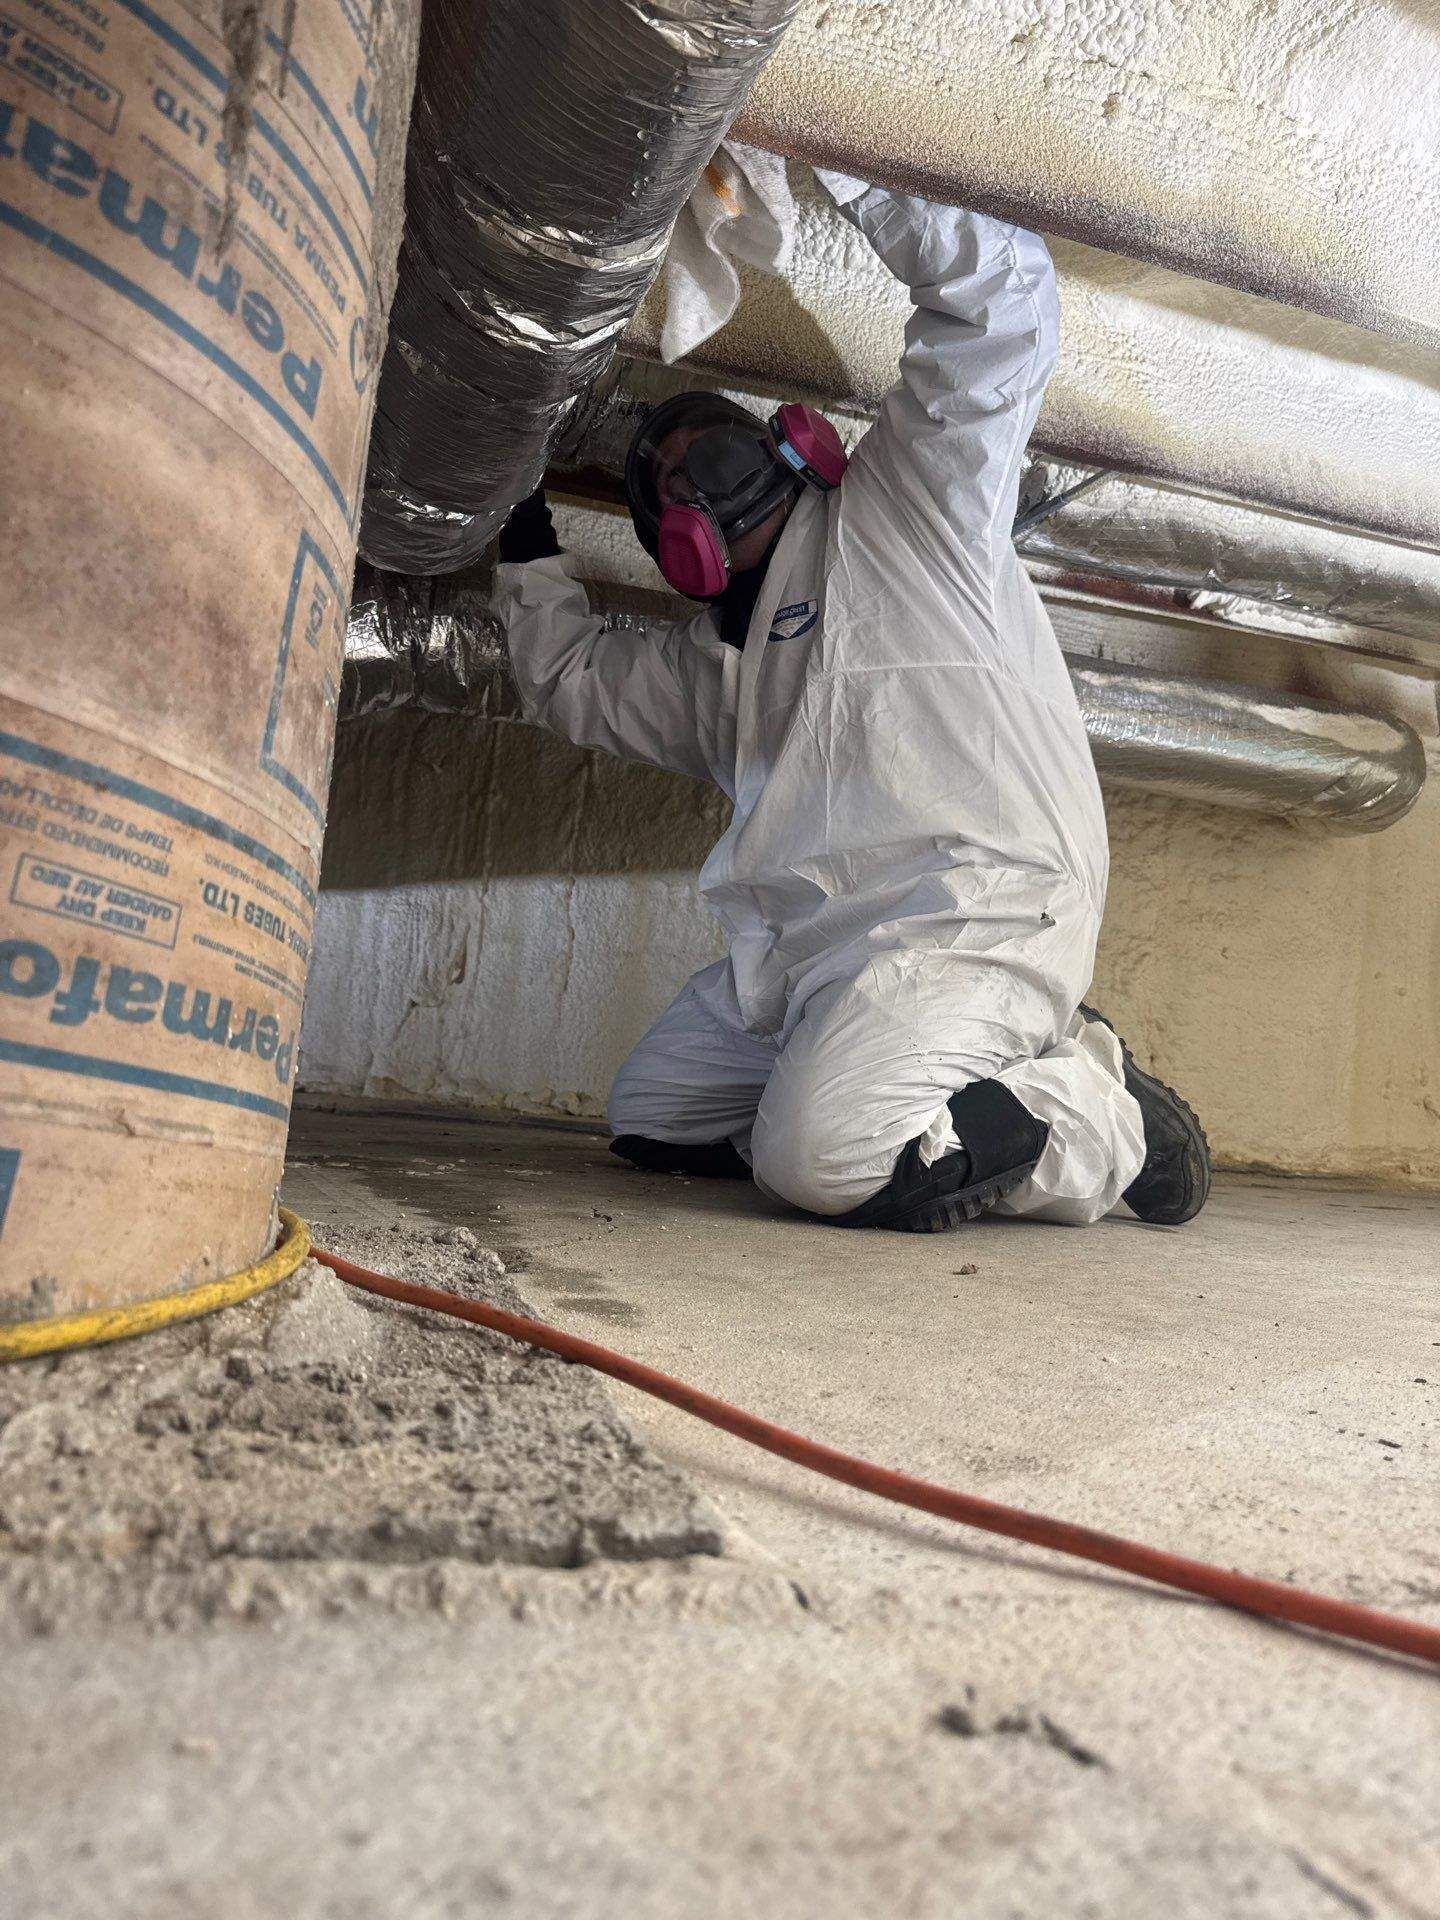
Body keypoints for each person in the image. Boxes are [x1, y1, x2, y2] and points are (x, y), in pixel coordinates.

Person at [492, 172, 1210, 1232]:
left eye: (710, 445)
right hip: (806, 966)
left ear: (789, 447)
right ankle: (929, 1081)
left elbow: (1001, 307)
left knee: (819, 1160)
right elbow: (568, 680)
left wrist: (843, 162)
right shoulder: (710, 671)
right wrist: (517, 518)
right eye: (667, 482)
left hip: (974, 916)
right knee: (651, 1118)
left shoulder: (911, 509)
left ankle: (1102, 1118)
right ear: (669, 545)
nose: (691, 474)